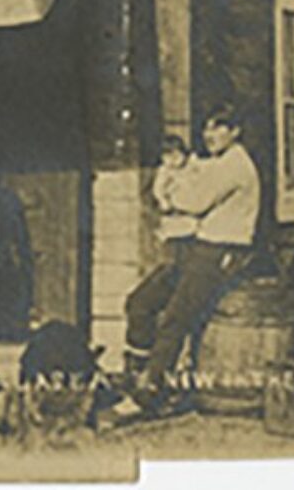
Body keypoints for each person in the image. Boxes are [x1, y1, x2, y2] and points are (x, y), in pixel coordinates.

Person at [112, 105, 261, 419]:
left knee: (175, 318)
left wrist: (171, 192)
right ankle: (135, 376)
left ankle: (148, 394)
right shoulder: (215, 164)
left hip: (221, 251)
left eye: (219, 128)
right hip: (195, 247)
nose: (210, 135)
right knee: (140, 301)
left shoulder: (235, 165)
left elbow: (193, 201)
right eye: (206, 128)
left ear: (235, 132)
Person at [122, 134, 198, 375]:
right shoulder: (163, 174)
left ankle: (155, 373)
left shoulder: (199, 172)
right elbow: (156, 197)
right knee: (138, 303)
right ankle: (139, 366)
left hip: (193, 250)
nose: (173, 160)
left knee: (173, 317)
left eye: (177, 154)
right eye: (167, 155)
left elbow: (198, 201)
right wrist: (163, 206)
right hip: (172, 250)